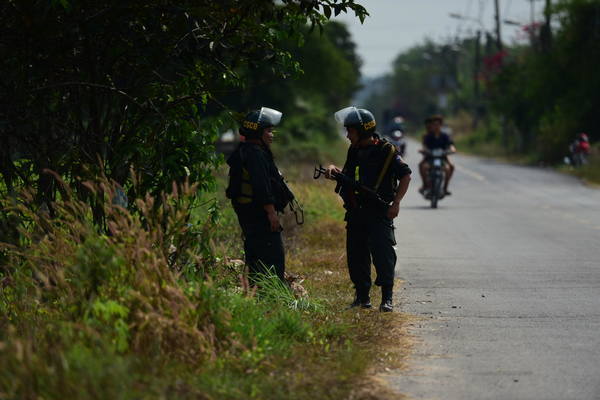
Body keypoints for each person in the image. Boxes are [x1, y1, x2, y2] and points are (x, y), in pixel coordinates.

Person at [324, 107, 411, 312]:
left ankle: (387, 298)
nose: (347, 135)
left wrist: (396, 203)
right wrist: (333, 171)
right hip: (356, 211)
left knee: (383, 255)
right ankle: (362, 298)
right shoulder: (354, 150)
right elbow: (347, 173)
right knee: (356, 256)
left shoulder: (387, 151)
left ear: (362, 131)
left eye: (350, 131)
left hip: (379, 212)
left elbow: (406, 175)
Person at [226, 107, 292, 284]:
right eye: (269, 131)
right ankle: (273, 296)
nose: (272, 135)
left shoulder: (245, 150)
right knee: (273, 256)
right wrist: (271, 214)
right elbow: (261, 186)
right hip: (260, 215)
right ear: (258, 133)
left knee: (255, 255)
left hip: (248, 213)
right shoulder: (255, 154)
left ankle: (257, 293)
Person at [418, 115, 456, 196]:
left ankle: (445, 187)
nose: (436, 126)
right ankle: (425, 185)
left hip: (442, 158)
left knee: (448, 168)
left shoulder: (445, 136)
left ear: (441, 125)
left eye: (438, 124)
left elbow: (450, 145)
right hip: (430, 158)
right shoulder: (428, 136)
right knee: (423, 167)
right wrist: (424, 150)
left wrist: (452, 149)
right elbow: (424, 146)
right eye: (434, 124)